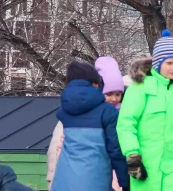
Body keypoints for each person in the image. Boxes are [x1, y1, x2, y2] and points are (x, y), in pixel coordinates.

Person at [117, 31, 173, 191]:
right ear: (158, 63)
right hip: (145, 165)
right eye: (169, 63)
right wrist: (133, 156)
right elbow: (126, 124)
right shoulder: (140, 89)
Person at [49, 56, 126, 191]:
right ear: (96, 84)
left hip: (63, 180)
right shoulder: (107, 112)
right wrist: (125, 182)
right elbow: (116, 151)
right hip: (95, 180)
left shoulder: (65, 111)